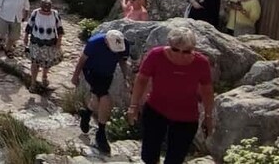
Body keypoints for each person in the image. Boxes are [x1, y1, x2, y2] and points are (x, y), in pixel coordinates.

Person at [128, 27, 214, 164]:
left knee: (175, 159)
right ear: (169, 44)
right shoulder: (156, 55)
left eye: (186, 51)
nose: (180, 55)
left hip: (186, 116)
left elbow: (207, 91)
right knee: (148, 156)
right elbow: (141, 80)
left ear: (193, 49)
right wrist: (133, 105)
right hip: (156, 109)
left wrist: (208, 117)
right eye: (175, 49)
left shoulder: (201, 63)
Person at [71, 30, 132, 153]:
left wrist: (127, 77)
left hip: (107, 73)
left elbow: (122, 60)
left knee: (96, 99)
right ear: (106, 41)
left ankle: (87, 113)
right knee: (104, 97)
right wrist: (75, 76)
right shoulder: (94, 43)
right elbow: (82, 59)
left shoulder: (123, 44)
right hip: (91, 71)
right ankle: (101, 133)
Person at [23, 0, 64, 90]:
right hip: (36, 42)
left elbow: (60, 28)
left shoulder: (55, 14)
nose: (45, 11)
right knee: (35, 62)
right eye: (44, 9)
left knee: (47, 62)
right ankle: (33, 83)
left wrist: (59, 41)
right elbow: (29, 25)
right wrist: (26, 36)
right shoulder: (36, 13)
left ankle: (44, 77)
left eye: (47, 9)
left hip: (50, 42)